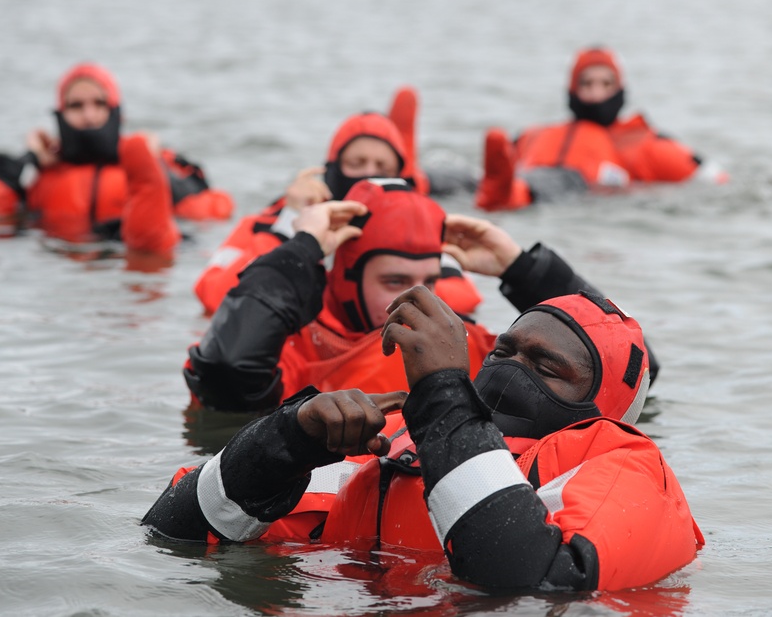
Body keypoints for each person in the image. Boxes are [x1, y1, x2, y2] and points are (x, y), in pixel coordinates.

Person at [143, 284, 700, 592]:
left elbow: (531, 580)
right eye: (504, 351)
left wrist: (442, 393)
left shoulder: (629, 466)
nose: (510, 367)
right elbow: (171, 532)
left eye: (545, 366)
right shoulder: (391, 439)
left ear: (601, 405)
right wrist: (286, 440)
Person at [183, 177, 641, 415]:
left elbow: (631, 373)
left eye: (430, 280)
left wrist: (524, 270)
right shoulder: (292, 351)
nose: (419, 299)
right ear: (345, 278)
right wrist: (300, 251)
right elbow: (225, 374)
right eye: (395, 282)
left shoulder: (473, 346)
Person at [193, 104, 479, 317]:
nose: (369, 175)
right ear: (331, 170)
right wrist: (293, 229)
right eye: (357, 164)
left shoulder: (419, 230)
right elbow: (214, 295)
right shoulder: (268, 222)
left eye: (382, 168)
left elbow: (465, 298)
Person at [0, 62, 234, 256]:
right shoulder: (42, 173)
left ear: (117, 113)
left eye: (99, 104)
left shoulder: (147, 159)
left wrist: (154, 166)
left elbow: (217, 210)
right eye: (76, 106)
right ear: (60, 114)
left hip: (134, 266)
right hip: (60, 265)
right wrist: (26, 160)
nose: (89, 115)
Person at [475, 46, 729, 211]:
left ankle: (505, 192)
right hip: (518, 179)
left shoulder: (641, 141)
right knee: (466, 179)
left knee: (554, 181)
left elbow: (712, 179)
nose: (596, 94)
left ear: (619, 89)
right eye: (587, 84)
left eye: (605, 84)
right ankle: (436, 181)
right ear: (573, 89)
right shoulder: (538, 132)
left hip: (572, 188)